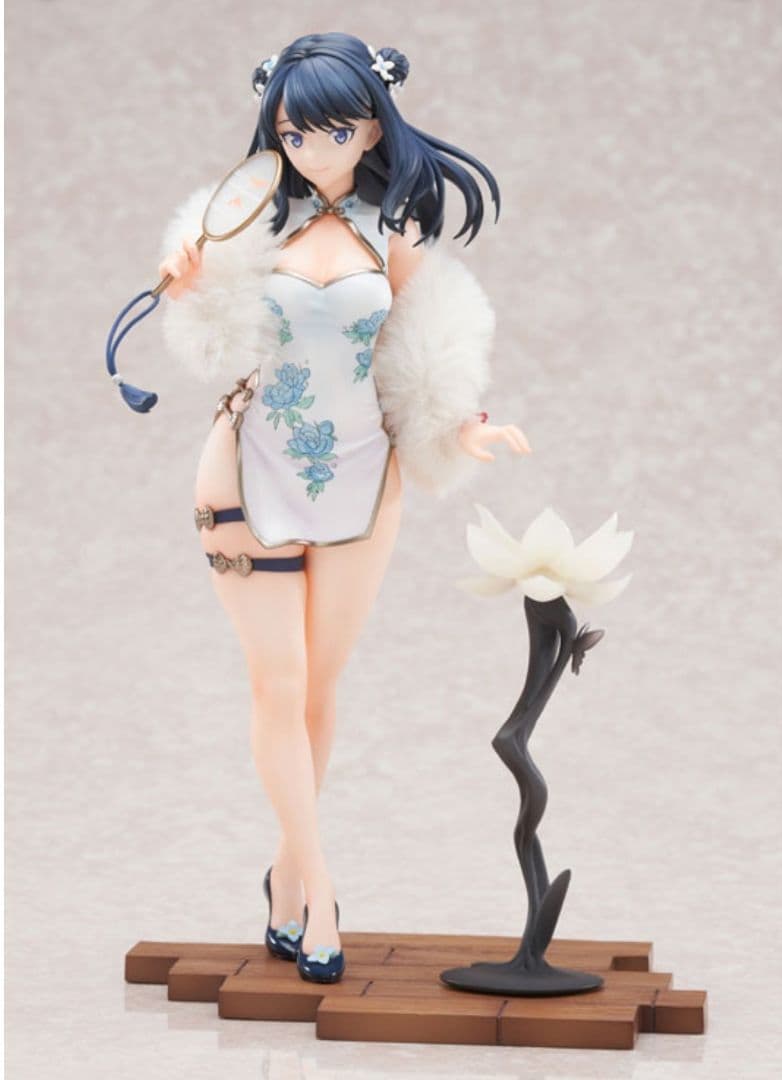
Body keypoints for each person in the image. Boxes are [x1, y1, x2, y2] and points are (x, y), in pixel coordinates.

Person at [158, 31, 530, 983]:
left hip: (364, 477)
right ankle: (319, 891)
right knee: (276, 684)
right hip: (245, 468)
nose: (311, 149)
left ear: (371, 128)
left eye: (333, 129)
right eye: (292, 132)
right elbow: (205, 336)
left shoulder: (388, 238)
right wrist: (191, 284)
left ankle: (285, 876)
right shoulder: (249, 225)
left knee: (320, 689)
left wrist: (463, 424)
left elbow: (431, 346)